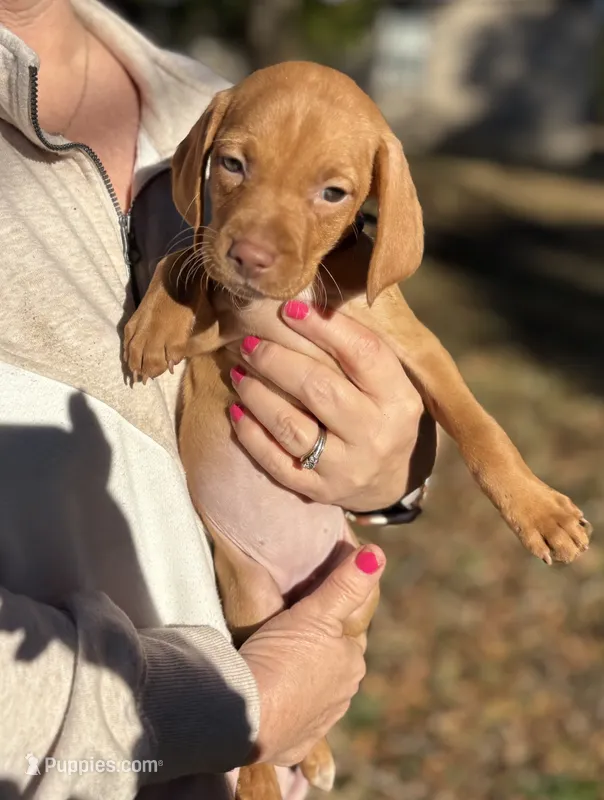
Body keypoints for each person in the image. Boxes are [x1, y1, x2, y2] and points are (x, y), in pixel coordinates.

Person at [0, 0, 436, 797]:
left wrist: (397, 470)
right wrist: (235, 710)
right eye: (232, 168)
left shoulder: (217, 95)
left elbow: (361, 334)